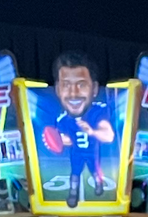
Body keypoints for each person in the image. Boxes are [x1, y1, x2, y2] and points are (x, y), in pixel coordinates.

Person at [35, 53, 119, 206]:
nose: (73, 93)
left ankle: (99, 184)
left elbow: (109, 136)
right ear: (58, 89)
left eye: (81, 84)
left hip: (92, 153)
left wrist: (92, 132)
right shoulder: (62, 120)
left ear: (94, 88)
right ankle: (73, 195)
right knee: (74, 174)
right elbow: (61, 141)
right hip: (77, 153)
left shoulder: (98, 111)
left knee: (95, 172)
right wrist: (59, 141)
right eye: (66, 85)